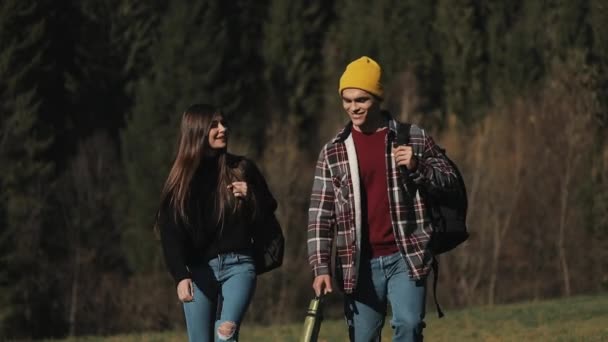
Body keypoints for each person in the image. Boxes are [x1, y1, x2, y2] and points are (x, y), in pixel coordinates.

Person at [307, 56, 457, 342]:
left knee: (409, 325)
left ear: (377, 97)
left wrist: (418, 167)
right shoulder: (333, 152)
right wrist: (320, 268)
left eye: (361, 99)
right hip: (358, 263)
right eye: (347, 100)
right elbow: (320, 216)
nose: (353, 107)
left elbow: (449, 180)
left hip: (406, 254)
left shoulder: (411, 136)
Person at [156, 104, 278, 342]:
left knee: (225, 337)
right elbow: (170, 233)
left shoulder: (242, 169)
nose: (223, 129)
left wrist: (252, 195)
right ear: (196, 131)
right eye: (214, 125)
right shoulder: (181, 181)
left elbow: (270, 208)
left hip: (239, 266)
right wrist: (180, 276)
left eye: (223, 123)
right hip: (198, 271)